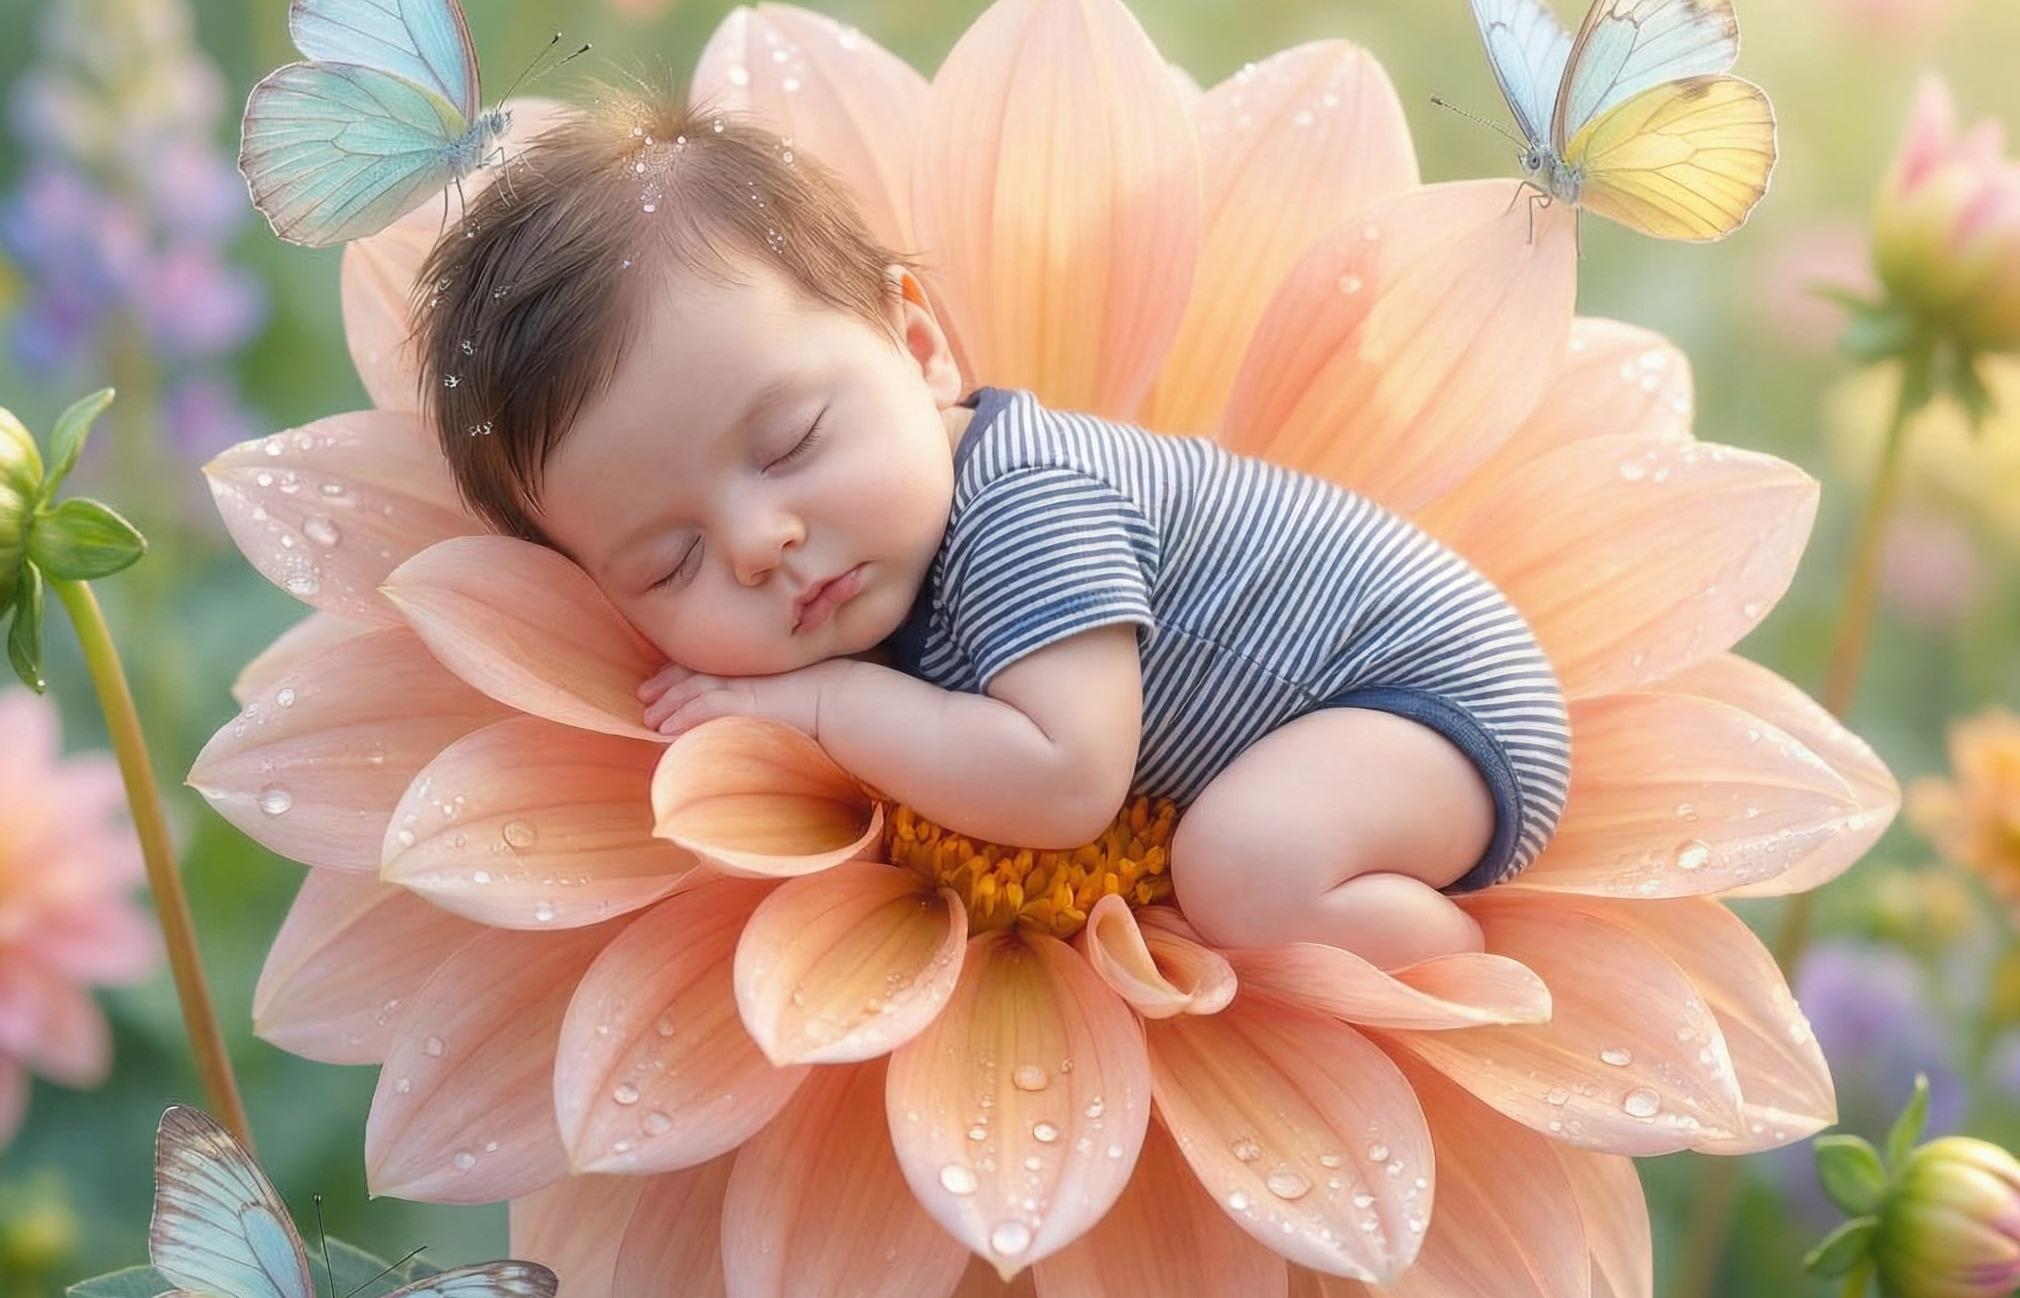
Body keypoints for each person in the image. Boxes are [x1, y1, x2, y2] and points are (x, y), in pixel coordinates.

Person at [417, 96, 1571, 970]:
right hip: (1350, 718)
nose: (762, 539)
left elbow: (1065, 782)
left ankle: (1449, 965)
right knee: (1244, 846)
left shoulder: (1028, 502)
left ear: (918, 349)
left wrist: (822, 704)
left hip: (1421, 697)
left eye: (790, 444)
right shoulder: (882, 532)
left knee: (1240, 869)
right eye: (667, 562)